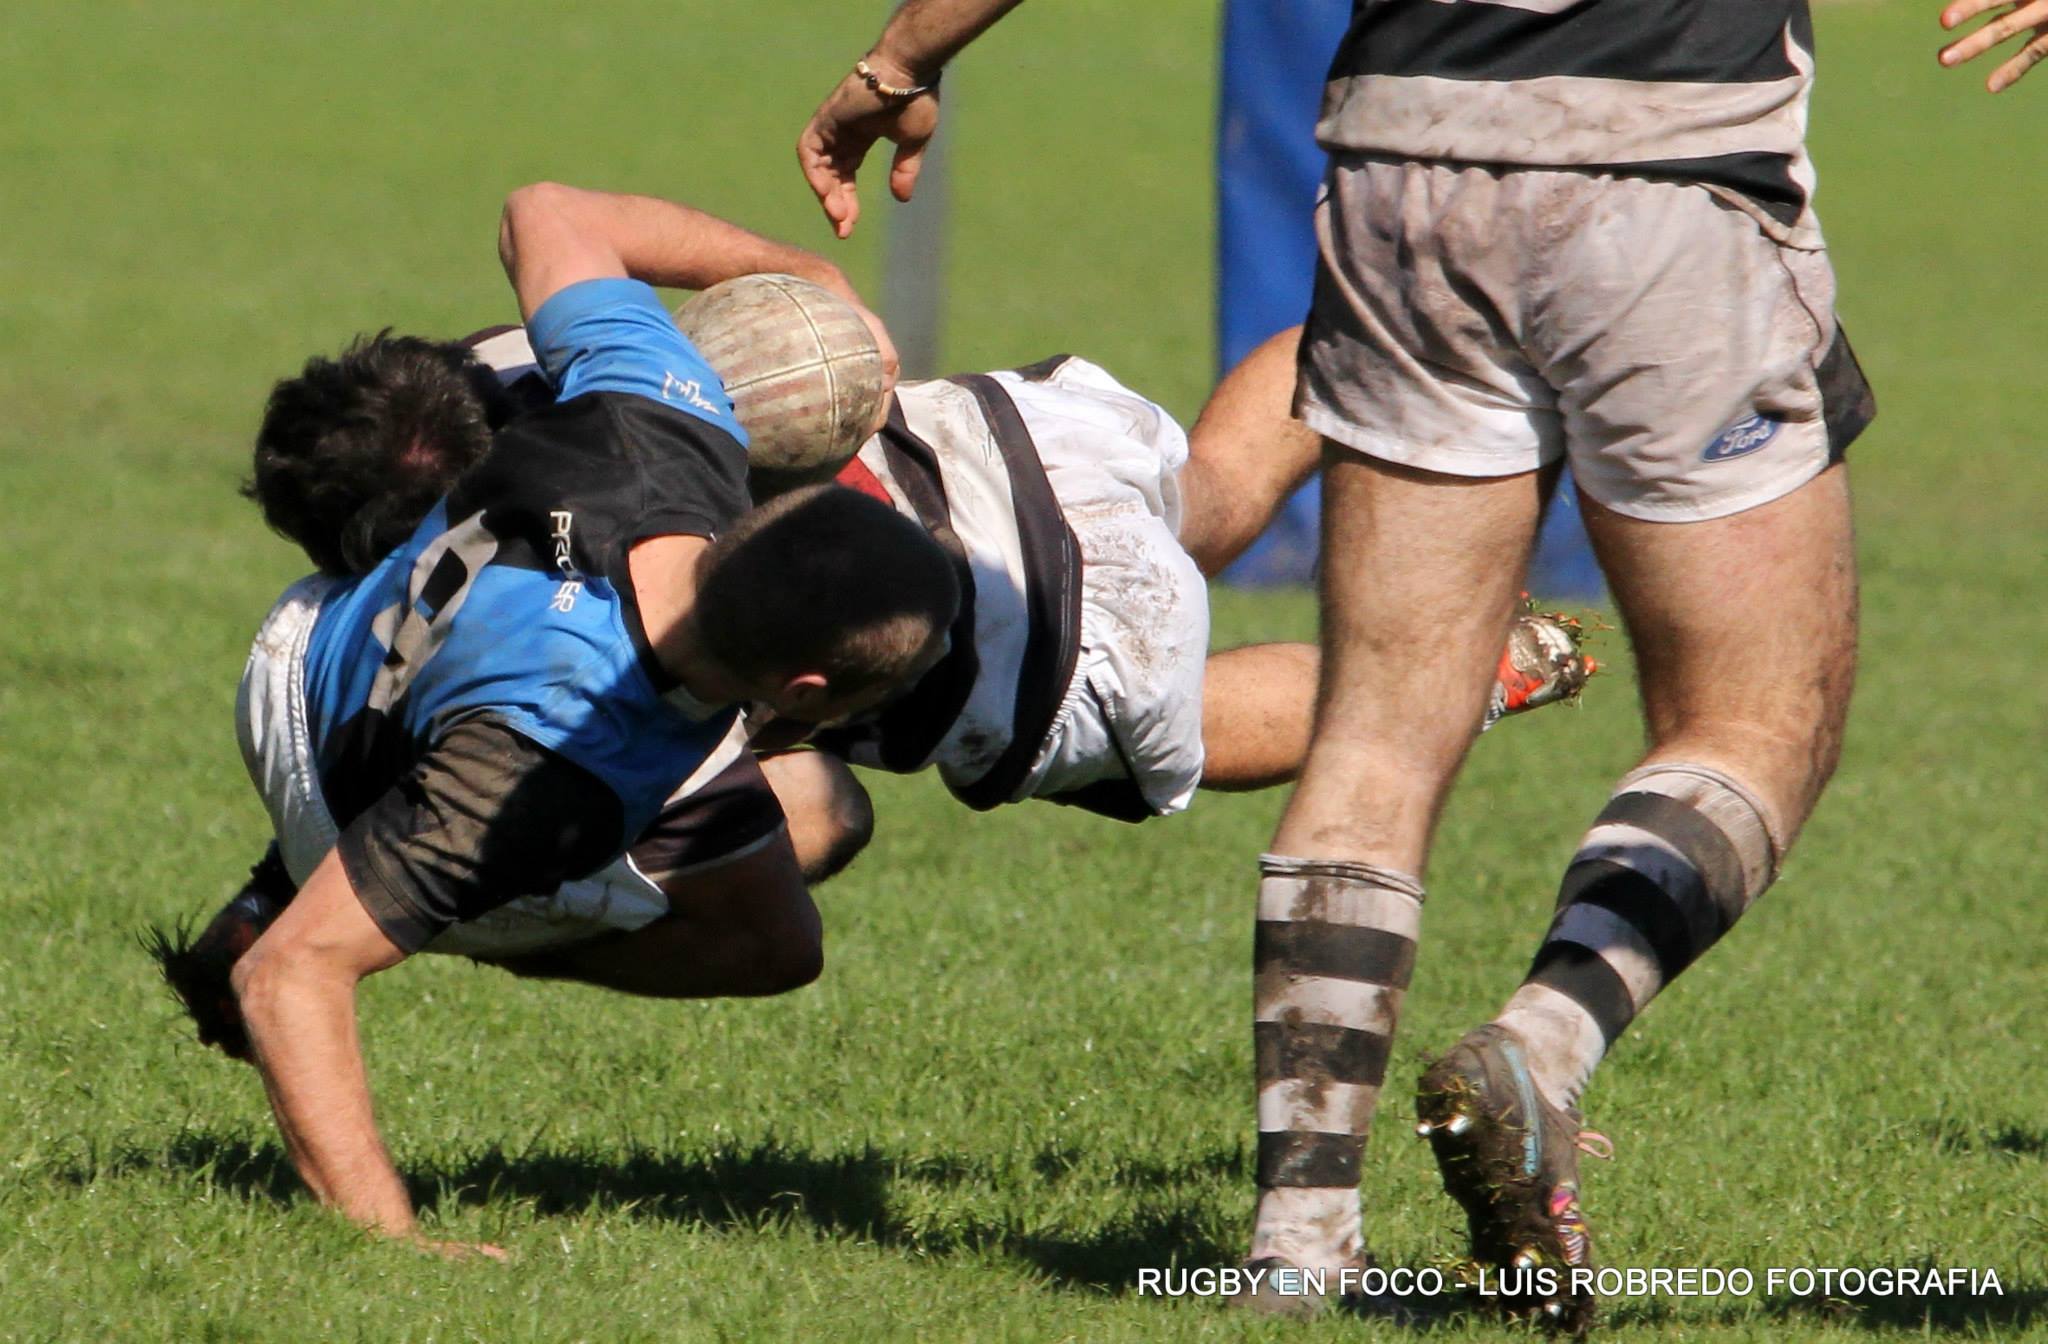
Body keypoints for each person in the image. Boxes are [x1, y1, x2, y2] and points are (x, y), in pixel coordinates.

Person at [163, 181, 960, 1258]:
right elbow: (288, 978)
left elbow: (546, 211)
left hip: (312, 634)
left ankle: (333, 878)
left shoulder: (667, 411)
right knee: (775, 938)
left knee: (795, 828)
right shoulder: (550, 762)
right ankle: (328, 885)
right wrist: (396, 1247)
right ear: (804, 693)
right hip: (347, 758)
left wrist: (800, 273)